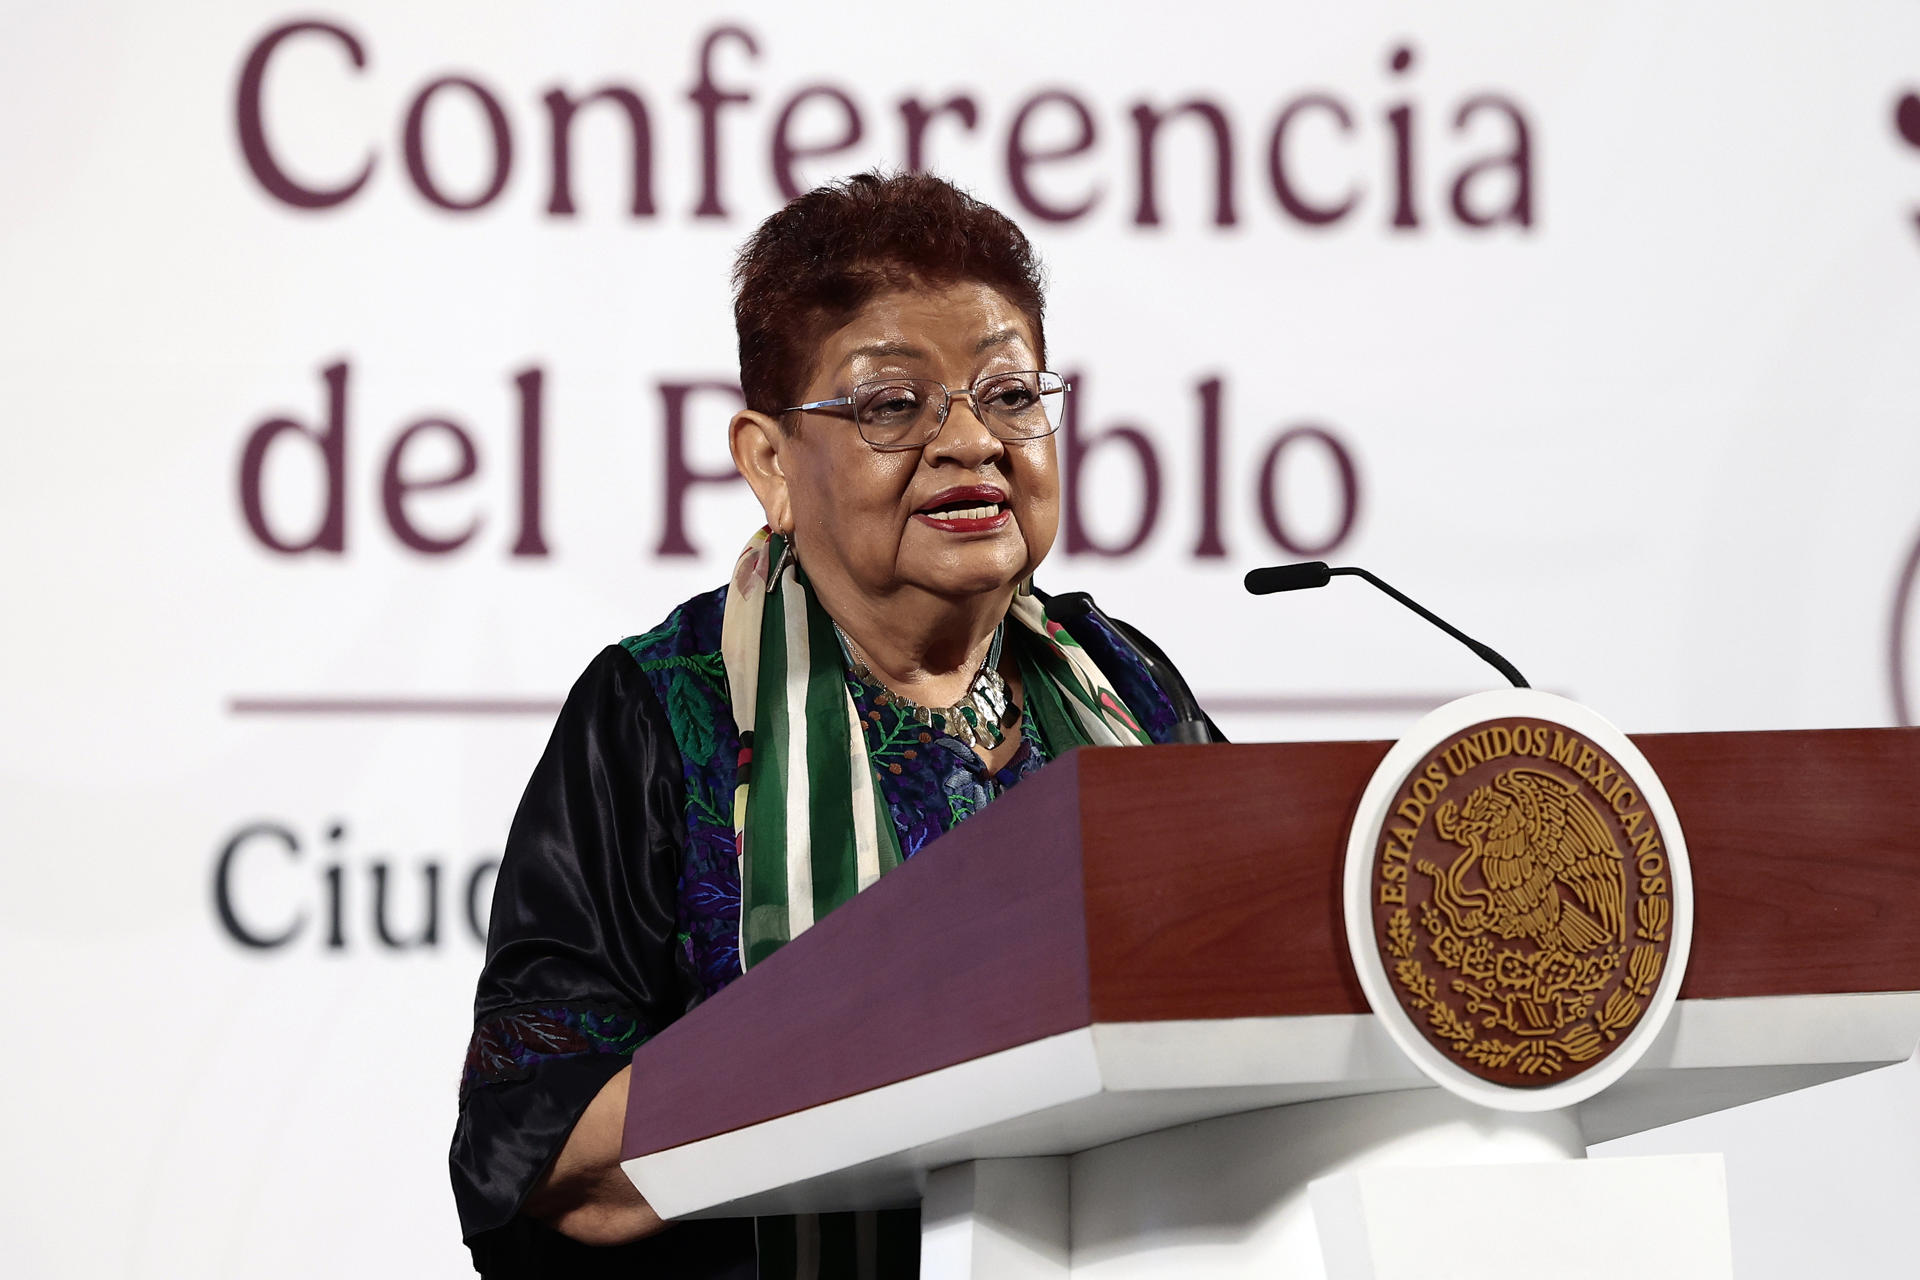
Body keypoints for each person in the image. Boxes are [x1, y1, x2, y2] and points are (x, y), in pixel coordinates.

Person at [449, 171, 1214, 1277]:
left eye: (1008, 393)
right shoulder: (664, 712)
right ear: (771, 463)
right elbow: (541, 1151)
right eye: (892, 405)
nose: (972, 443)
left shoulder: (1126, 685)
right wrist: (899, 1031)